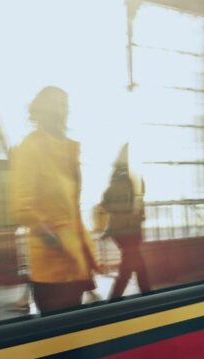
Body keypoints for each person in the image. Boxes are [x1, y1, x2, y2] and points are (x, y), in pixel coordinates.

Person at [9, 86, 98, 314]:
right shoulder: (32, 147)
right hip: (51, 270)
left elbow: (74, 210)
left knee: (75, 336)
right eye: (57, 103)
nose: (63, 109)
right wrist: (57, 241)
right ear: (42, 110)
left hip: (75, 264)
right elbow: (22, 208)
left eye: (65, 104)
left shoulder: (69, 149)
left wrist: (83, 252)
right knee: (61, 340)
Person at [101, 144, 151, 298]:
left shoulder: (113, 182)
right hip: (131, 230)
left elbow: (105, 203)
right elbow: (140, 200)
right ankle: (119, 299)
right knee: (130, 266)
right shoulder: (135, 179)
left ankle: (145, 294)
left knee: (135, 265)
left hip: (119, 231)